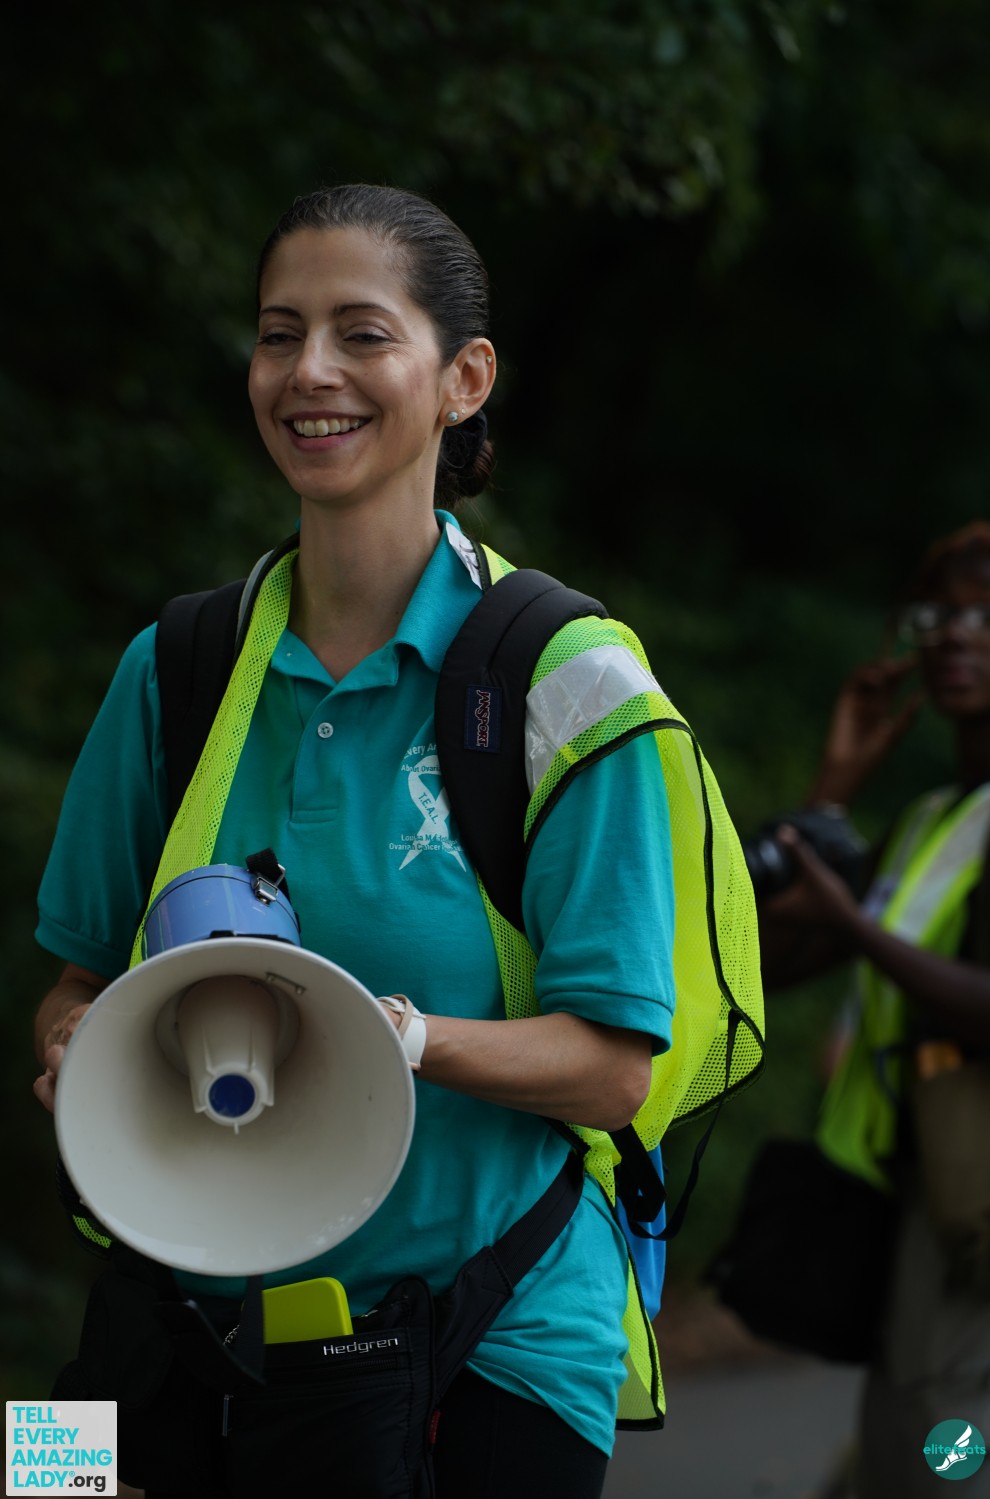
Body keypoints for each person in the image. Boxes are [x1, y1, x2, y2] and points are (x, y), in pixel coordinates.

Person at [30, 184, 696, 1498]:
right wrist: (77, 1049)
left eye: (362, 333)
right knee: (43, 1475)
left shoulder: (572, 677)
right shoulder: (172, 665)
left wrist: (399, 1038)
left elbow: (616, 1067)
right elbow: (74, 981)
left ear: (464, 379)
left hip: (482, 1333)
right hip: (185, 1318)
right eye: (279, 334)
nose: (309, 372)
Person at [755, 520, 990, 1497]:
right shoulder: (934, 817)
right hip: (917, 1197)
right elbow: (759, 964)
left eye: (989, 615)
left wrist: (854, 926)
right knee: (904, 1448)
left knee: (952, 1457)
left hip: (982, 1213)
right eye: (936, 616)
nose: (954, 635)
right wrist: (832, 790)